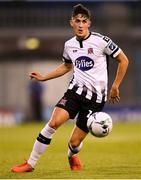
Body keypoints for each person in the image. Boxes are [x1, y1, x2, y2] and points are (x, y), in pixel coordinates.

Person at [11, 4, 129, 172]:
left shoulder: (102, 41)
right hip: (74, 93)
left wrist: (115, 86)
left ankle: (72, 155)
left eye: (84, 21)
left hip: (95, 101)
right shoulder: (69, 45)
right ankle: (31, 163)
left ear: (89, 23)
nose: (80, 25)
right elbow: (66, 67)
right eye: (77, 21)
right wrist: (44, 77)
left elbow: (124, 60)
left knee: (74, 143)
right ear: (71, 23)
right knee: (53, 123)